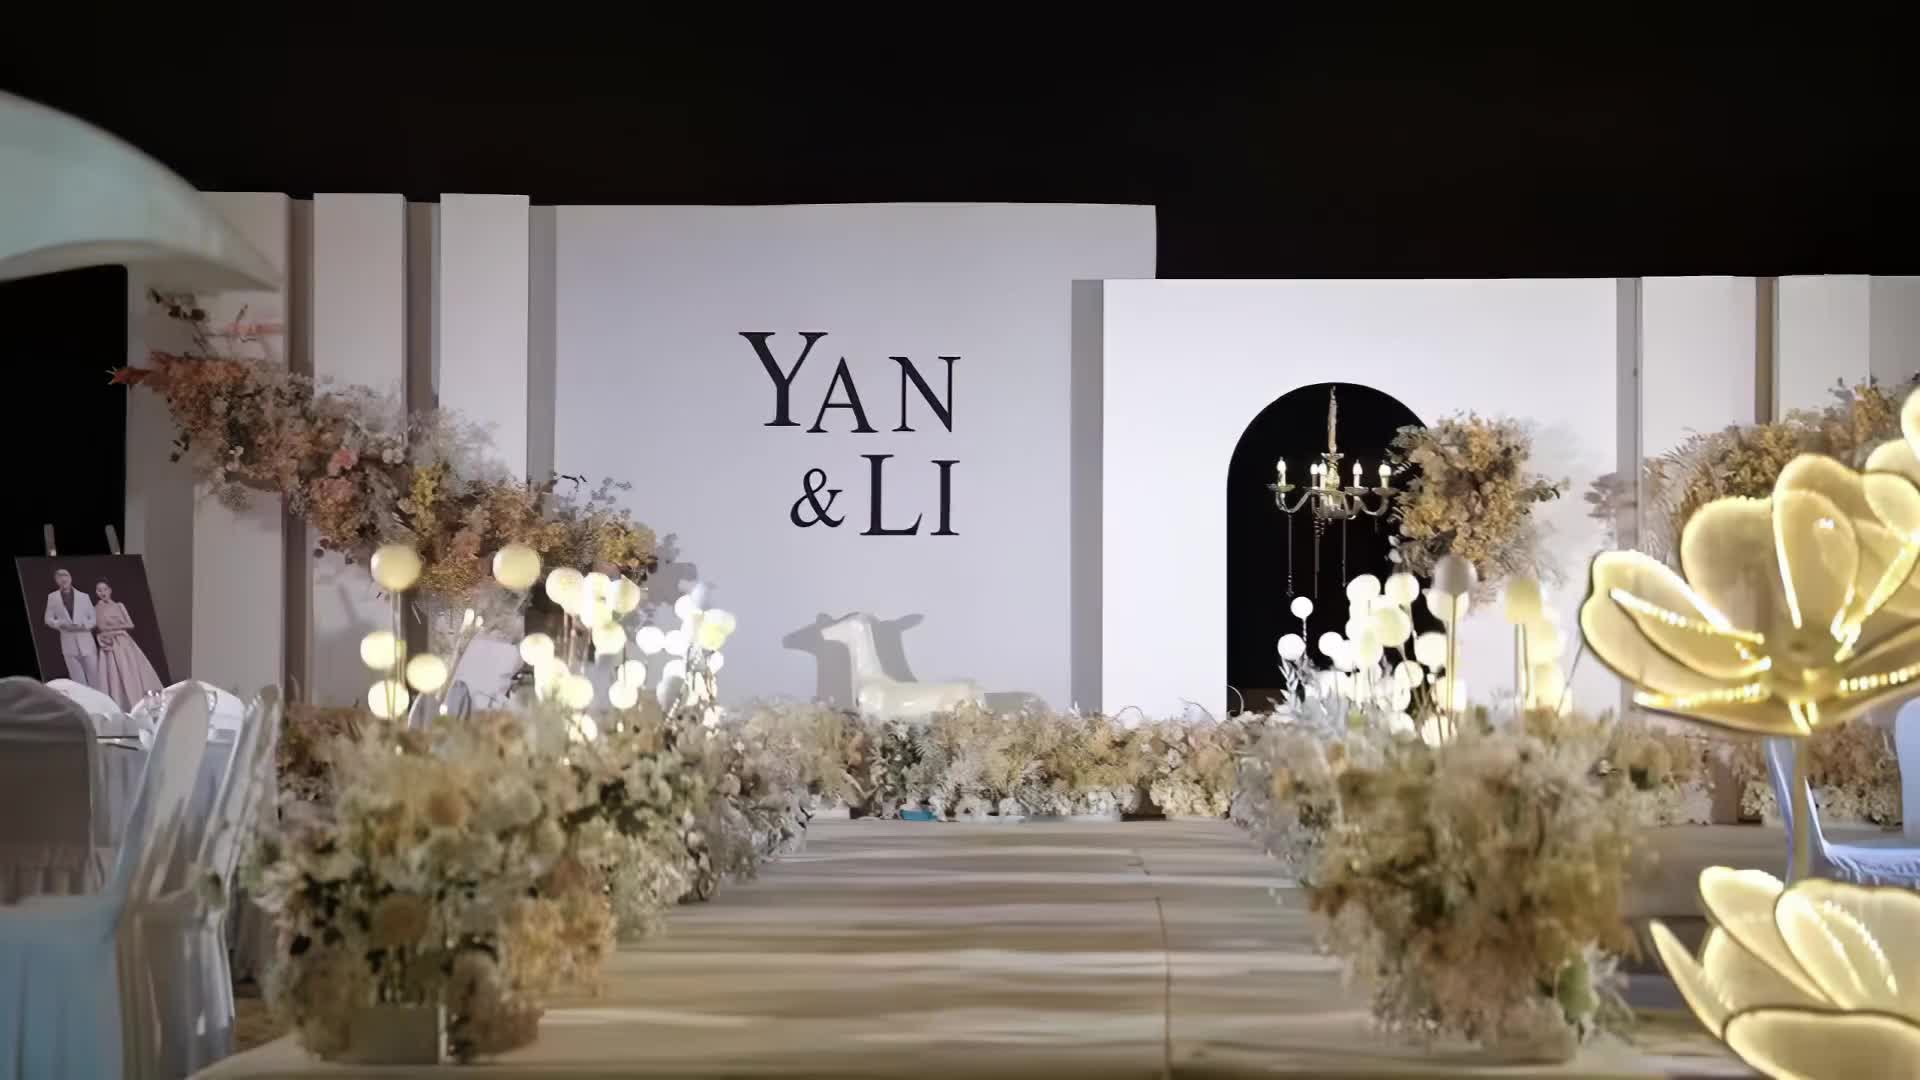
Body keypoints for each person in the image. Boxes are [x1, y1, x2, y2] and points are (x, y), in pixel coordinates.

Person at [92, 579, 167, 711]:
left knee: (131, 670)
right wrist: (118, 628)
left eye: (105, 589)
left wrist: (115, 628)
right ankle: (120, 704)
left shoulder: (119, 606)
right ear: (96, 593)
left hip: (124, 642)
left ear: (110, 590)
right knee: (113, 675)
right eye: (99, 590)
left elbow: (130, 624)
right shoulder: (96, 608)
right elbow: (101, 627)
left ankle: (140, 701)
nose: (103, 593)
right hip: (109, 643)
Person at [43, 567, 101, 688]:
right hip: (68, 644)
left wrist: (83, 625)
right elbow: (48, 619)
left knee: (95, 678)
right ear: (56, 581)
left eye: (65, 576)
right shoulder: (52, 597)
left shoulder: (84, 596)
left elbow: (93, 619)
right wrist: (60, 624)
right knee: (78, 681)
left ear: (70, 578)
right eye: (59, 577)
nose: (63, 579)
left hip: (86, 642)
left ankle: (99, 699)